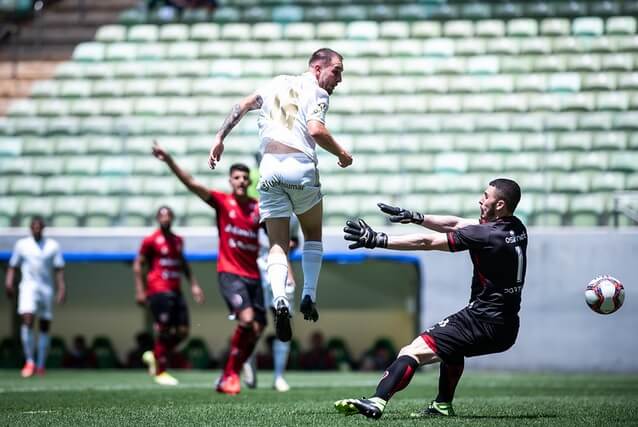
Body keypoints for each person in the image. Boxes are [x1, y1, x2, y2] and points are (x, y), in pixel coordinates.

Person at [335, 178, 527, 419]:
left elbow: (426, 242)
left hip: (481, 320)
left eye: (485, 196)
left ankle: (377, 400)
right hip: (507, 327)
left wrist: (378, 240)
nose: (480, 199)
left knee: (412, 350)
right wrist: (416, 216)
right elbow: (457, 223)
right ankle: (442, 405)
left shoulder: (484, 235)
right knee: (452, 350)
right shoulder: (517, 228)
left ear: (499, 204)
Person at [208, 48, 353, 344]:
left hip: (270, 168)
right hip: (299, 166)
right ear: (317, 68)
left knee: (276, 244)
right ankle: (309, 295)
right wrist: (342, 153)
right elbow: (316, 130)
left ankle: (279, 300)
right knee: (313, 234)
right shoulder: (317, 92)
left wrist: (219, 137)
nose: (339, 78)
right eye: (336, 70)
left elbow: (243, 105)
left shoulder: (275, 83)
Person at [152, 142, 264, 395]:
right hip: (230, 273)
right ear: (230, 180)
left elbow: (276, 231)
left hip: (253, 275)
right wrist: (169, 160)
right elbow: (191, 183)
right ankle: (232, 375)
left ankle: (228, 373)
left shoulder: (258, 208)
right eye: (237, 177)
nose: (242, 181)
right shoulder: (222, 202)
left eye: (245, 178)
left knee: (258, 328)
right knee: (247, 321)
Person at [133, 205, 205, 386]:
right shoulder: (150, 240)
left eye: (168, 216)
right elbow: (138, 265)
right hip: (158, 289)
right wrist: (140, 290)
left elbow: (183, 263)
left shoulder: (178, 240)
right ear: (158, 219)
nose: (165, 219)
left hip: (176, 290)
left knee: (183, 331)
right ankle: (160, 371)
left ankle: (156, 356)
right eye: (162, 216)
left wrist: (194, 286)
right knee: (164, 329)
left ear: (172, 218)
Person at [243, 216, 300, 392]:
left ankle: (279, 376)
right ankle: (248, 364)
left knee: (283, 321)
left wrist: (288, 255)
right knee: (253, 323)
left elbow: (294, 242)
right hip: (255, 270)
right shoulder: (254, 213)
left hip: (279, 269)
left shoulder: (293, 217)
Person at [5, 216, 66, 378]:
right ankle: (30, 361)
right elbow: (12, 266)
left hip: (46, 288)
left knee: (44, 325)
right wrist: (9, 283)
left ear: (43, 228)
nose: (37, 229)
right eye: (34, 227)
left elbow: (59, 268)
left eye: (40, 227)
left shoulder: (52, 246)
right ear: (30, 228)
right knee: (28, 318)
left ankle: (40, 364)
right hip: (28, 287)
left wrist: (61, 288)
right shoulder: (22, 245)